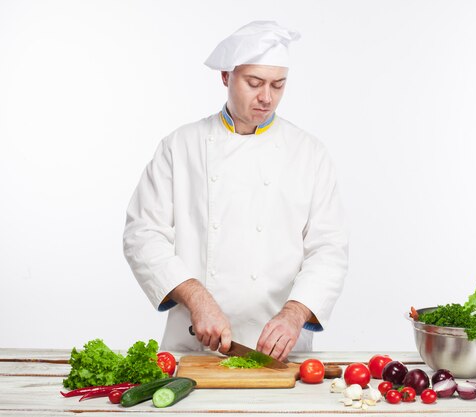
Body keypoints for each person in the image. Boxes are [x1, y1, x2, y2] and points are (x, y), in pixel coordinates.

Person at [123, 21, 348, 361]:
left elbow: (329, 249)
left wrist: (295, 313)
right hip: (196, 346)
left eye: (278, 84)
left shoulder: (309, 153)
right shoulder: (181, 146)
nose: (266, 97)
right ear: (226, 77)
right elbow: (142, 234)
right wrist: (196, 296)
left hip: (280, 351)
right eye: (254, 83)